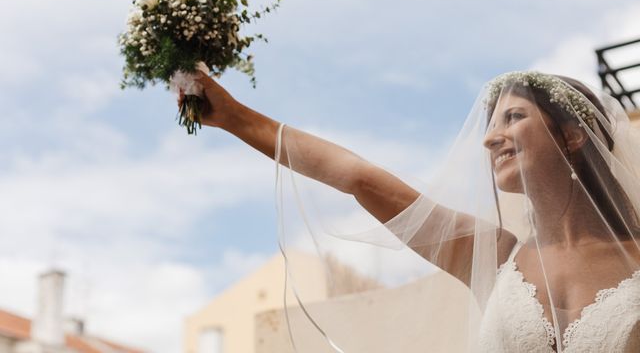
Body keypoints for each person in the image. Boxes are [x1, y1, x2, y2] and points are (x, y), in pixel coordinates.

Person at [180, 70, 640, 352]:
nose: (489, 137)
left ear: (572, 136)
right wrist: (236, 118)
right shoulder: (495, 254)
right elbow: (358, 178)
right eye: (491, 123)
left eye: (514, 117)